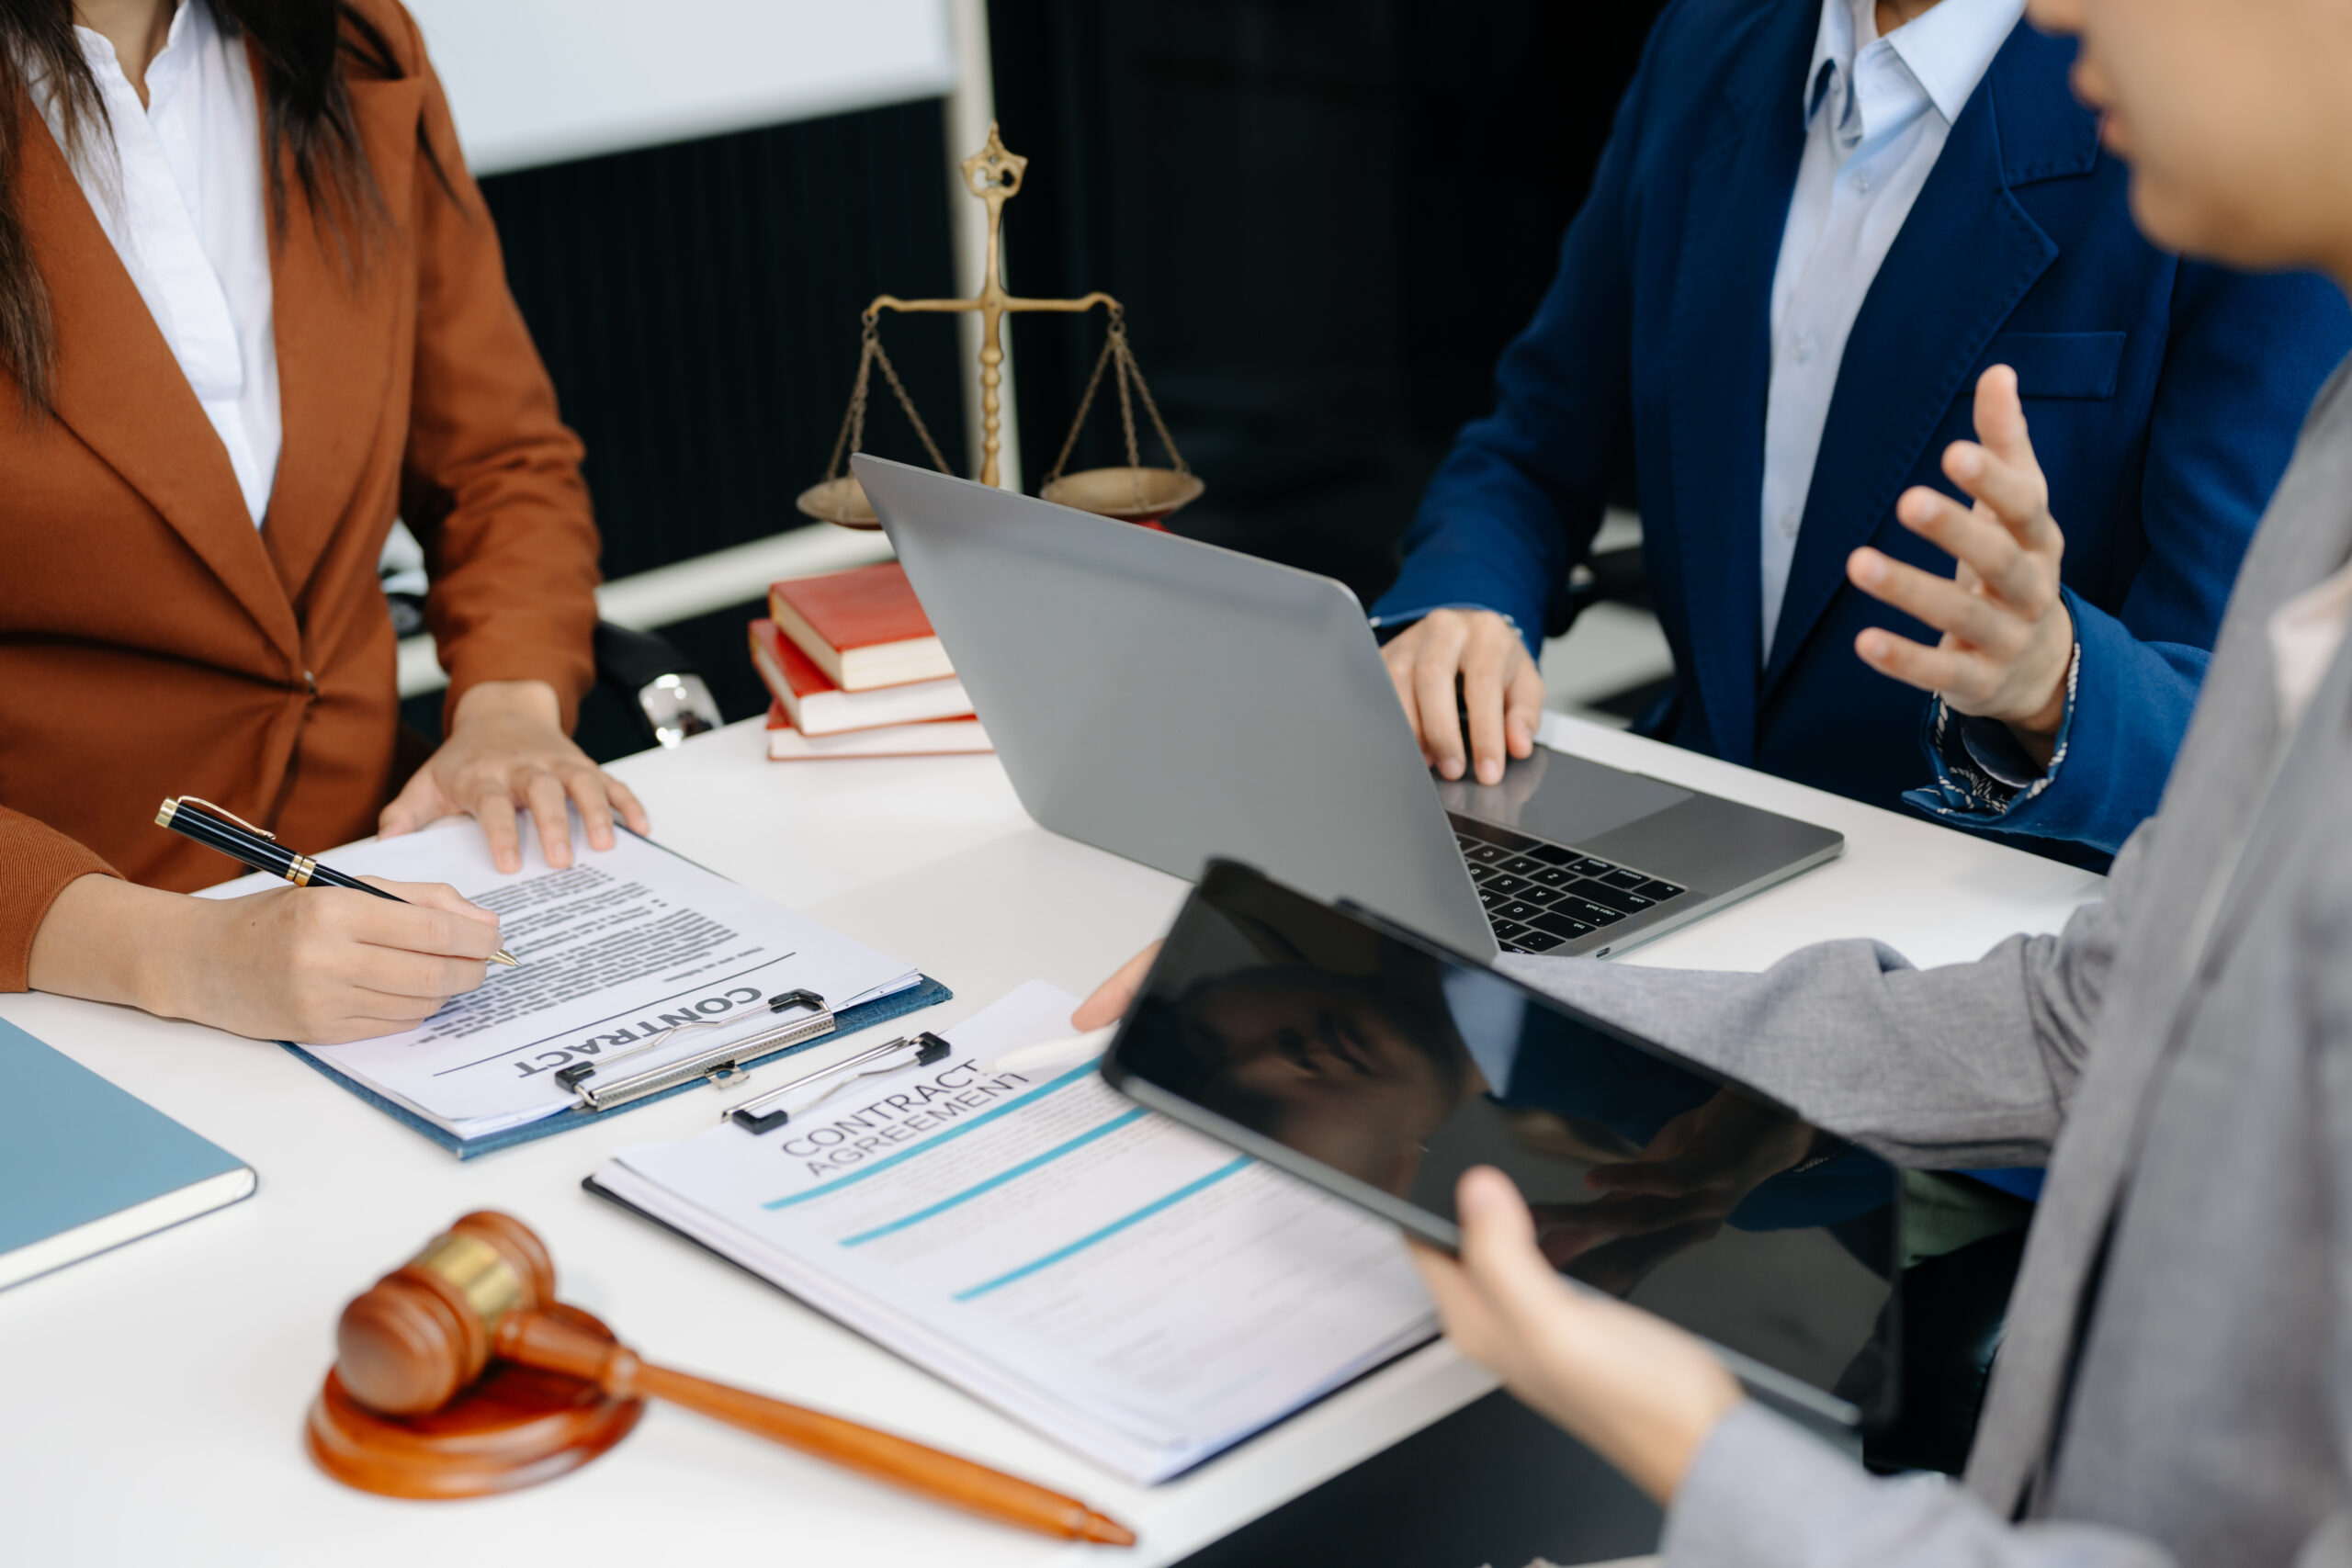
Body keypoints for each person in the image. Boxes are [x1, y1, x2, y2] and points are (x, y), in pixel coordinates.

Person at [1078, 0, 2352, 1553]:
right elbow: (2087, 1017)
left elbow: (2206, 797)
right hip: (1757, 917)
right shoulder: (1718, 45)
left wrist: (2054, 684)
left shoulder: (2215, 209)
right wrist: (1452, 993)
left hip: (1960, 924)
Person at [1372, 0, 2351, 866]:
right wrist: (1465, 606)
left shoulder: (2214, 135)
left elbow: (2253, 733)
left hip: (1986, 905)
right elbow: (1533, 443)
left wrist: (2054, 681)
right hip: (1684, 835)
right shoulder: (1709, 38)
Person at [0, 0, 643, 1043]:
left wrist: (507, 712)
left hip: (379, 889)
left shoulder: (349, 39)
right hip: (62, 974)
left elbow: (497, 462)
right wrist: (176, 955)